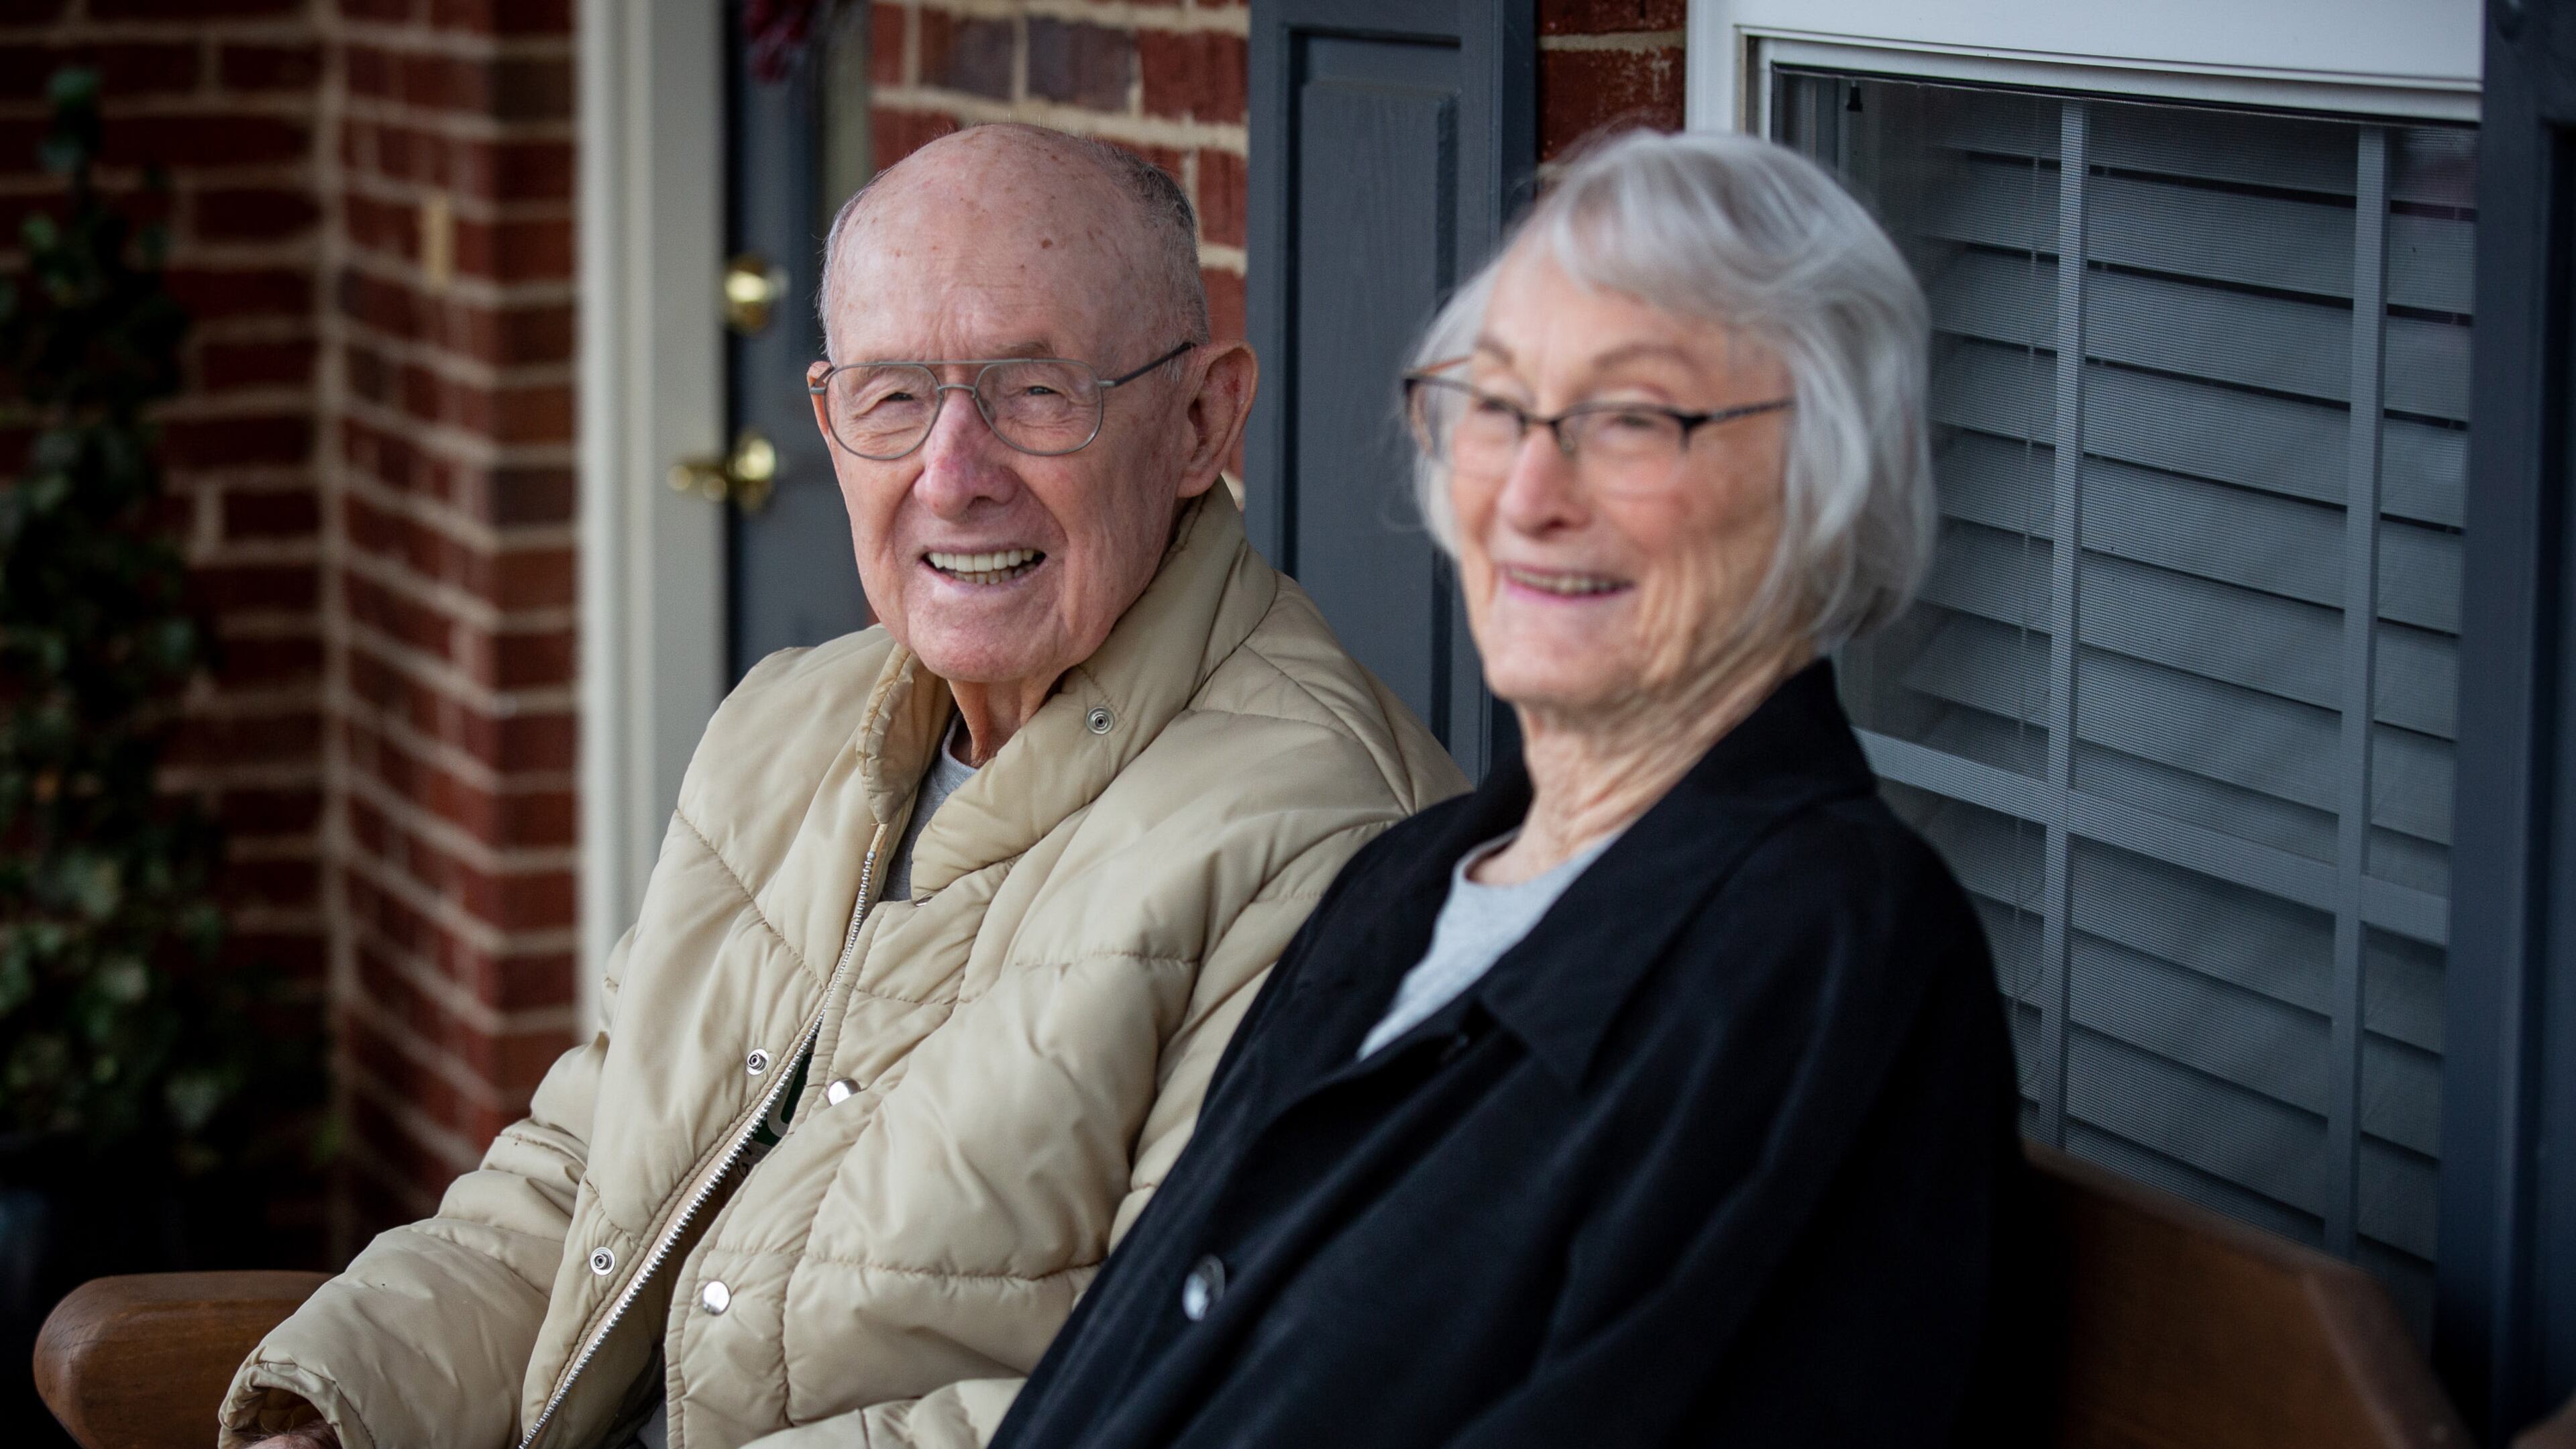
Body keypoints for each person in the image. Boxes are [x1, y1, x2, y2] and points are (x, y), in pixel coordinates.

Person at [219, 125, 1464, 1449]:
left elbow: (1169, 1401)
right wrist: (338, 1406)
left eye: (1035, 392)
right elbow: (587, 1180)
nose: (953, 472)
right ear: (828, 423)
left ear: (1202, 420)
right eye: (892, 400)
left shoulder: (1328, 842)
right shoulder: (784, 728)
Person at [989, 128, 2035, 1449]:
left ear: (1823, 482)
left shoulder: (1824, 952)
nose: (1531, 494)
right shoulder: (1409, 885)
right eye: (1495, 405)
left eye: (1632, 421)